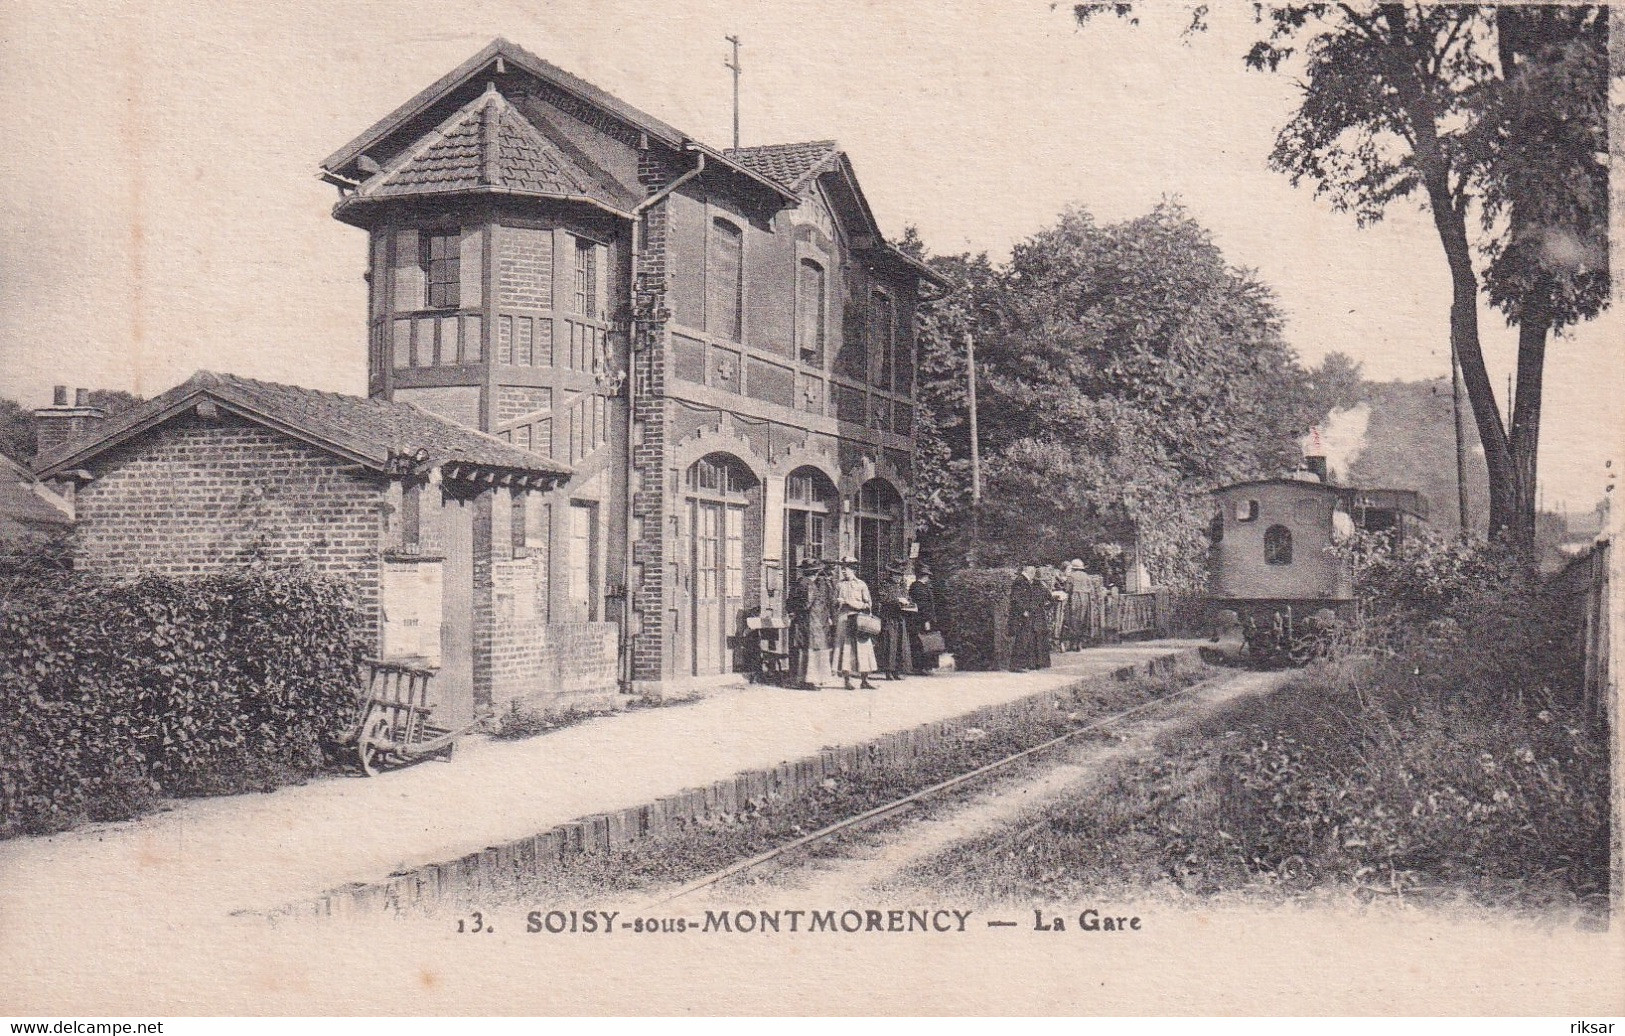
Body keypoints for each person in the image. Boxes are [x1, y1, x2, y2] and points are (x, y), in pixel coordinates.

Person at [787, 558, 835, 689]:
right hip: (812, 622)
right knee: (812, 652)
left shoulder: (798, 583)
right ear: (815, 572)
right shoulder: (810, 585)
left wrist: (793, 613)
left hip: (803, 622)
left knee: (804, 651)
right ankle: (810, 681)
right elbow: (806, 604)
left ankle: (802, 679)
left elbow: (790, 602)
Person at [832, 556, 878, 689]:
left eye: (846, 569)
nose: (844, 571)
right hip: (844, 619)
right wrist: (837, 603)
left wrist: (851, 603)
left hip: (859, 619)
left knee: (863, 648)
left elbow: (868, 604)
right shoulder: (839, 585)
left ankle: (864, 680)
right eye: (842, 569)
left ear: (853, 569)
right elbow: (833, 603)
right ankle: (847, 680)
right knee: (846, 648)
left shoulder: (861, 584)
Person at [876, 560, 915, 681]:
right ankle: (888, 671)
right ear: (891, 574)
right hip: (889, 617)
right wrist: (897, 601)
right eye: (896, 574)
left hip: (900, 617)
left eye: (900, 574)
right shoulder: (884, 584)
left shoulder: (903, 585)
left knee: (900, 644)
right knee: (889, 644)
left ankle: (898, 670)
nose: (898, 577)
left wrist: (909, 603)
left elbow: (907, 597)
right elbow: (883, 599)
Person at [908, 563, 940, 674]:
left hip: (922, 619)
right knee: (923, 643)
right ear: (924, 575)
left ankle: (925, 667)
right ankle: (922, 667)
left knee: (924, 643)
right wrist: (926, 620)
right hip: (921, 620)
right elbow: (923, 606)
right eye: (926, 575)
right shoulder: (918, 587)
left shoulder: (920, 586)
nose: (928, 577)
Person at [1007, 565, 1038, 672]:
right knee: (1021, 639)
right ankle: (1016, 665)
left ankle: (1022, 664)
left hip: (1024, 614)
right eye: (1033, 572)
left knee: (1024, 639)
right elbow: (1016, 599)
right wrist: (1023, 610)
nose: (1033, 575)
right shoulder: (1020, 581)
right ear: (1030, 572)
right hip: (1021, 616)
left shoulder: (1022, 581)